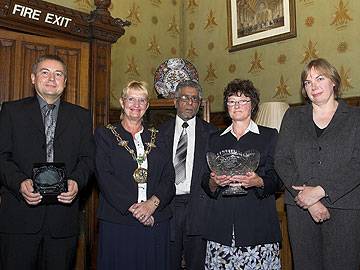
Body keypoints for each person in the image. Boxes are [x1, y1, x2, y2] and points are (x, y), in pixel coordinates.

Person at [0, 54, 94, 270]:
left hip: (63, 222)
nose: (52, 78)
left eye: (58, 74)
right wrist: (19, 182)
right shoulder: (11, 111)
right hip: (19, 219)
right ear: (33, 78)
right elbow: (2, 156)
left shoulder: (81, 117)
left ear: (65, 81)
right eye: (45, 72)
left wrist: (77, 182)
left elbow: (88, 160)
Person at [274, 58, 360, 270]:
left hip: (345, 208)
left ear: (333, 82)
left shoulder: (355, 117)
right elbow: (282, 160)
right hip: (300, 208)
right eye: (307, 82)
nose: (313, 86)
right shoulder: (292, 117)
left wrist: (322, 191)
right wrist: (309, 200)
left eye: (319, 78)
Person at [201, 79, 282, 270]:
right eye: (231, 101)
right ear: (226, 106)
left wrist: (258, 181)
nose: (237, 105)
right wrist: (214, 182)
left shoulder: (269, 136)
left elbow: (278, 180)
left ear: (252, 105)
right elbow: (204, 179)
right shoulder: (214, 139)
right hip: (220, 229)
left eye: (243, 100)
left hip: (258, 227)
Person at [95, 80, 175, 270]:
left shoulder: (159, 136)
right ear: (122, 102)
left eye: (141, 101)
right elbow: (104, 177)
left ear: (147, 106)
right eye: (131, 99)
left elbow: (169, 178)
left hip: (156, 220)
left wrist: (151, 205)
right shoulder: (105, 135)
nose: (136, 105)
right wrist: (137, 210)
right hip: (119, 221)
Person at [158, 80, 217, 270]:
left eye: (194, 99)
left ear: (199, 104)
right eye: (185, 98)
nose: (190, 103)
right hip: (167, 205)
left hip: (198, 205)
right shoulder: (158, 133)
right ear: (175, 102)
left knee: (198, 263)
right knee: (166, 261)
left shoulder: (212, 134)